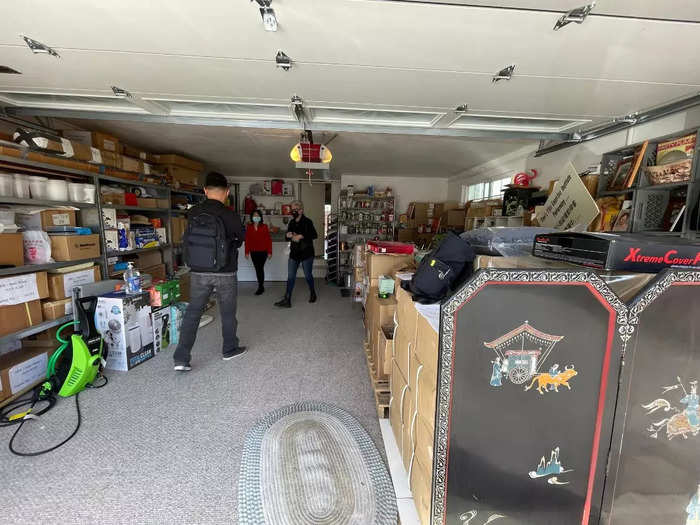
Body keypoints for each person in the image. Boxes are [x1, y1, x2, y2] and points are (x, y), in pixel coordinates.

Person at [173, 172, 246, 372]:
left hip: (198, 272)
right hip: (226, 271)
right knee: (228, 313)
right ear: (227, 192)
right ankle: (229, 349)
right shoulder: (230, 214)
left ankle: (181, 358)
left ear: (205, 191)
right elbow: (242, 236)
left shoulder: (193, 212)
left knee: (192, 313)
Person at [274, 200, 318, 308]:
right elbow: (287, 236)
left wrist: (301, 236)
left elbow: (314, 235)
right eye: (292, 210)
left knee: (308, 275)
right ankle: (287, 299)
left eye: (295, 210)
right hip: (294, 253)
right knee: (291, 276)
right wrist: (288, 234)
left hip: (307, 253)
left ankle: (313, 293)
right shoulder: (292, 222)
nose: (293, 212)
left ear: (301, 210)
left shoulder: (308, 221)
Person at [244, 209, 272, 295]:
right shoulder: (249, 227)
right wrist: (247, 252)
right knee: (258, 269)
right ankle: (261, 286)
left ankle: (261, 287)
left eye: (258, 216)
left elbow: (268, 240)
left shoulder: (264, 226)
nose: (256, 217)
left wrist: (270, 252)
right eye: (254, 216)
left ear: (260, 217)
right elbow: (247, 240)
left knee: (259, 268)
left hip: (263, 251)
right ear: (252, 217)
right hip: (253, 251)